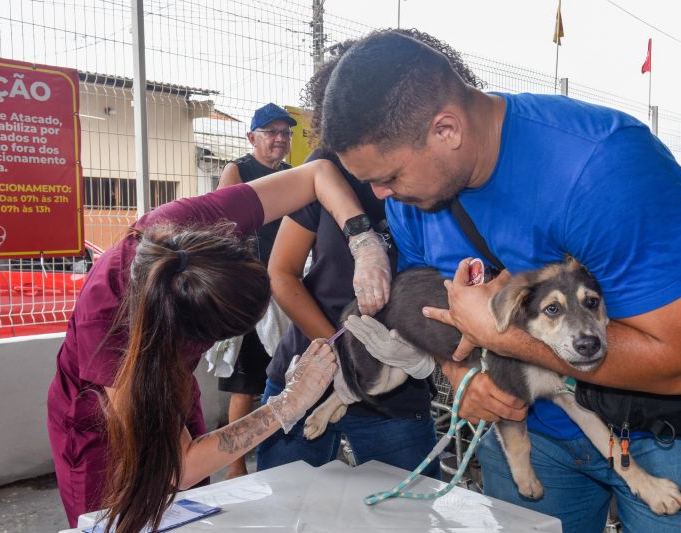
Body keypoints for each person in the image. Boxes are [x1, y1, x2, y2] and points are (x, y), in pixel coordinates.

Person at [319, 30, 681, 532]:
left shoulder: (603, 167)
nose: (381, 195)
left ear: (446, 130)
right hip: (529, 430)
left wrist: (498, 335)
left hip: (664, 434)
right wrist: (459, 375)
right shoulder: (413, 202)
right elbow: (435, 308)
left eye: (390, 176)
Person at [46, 159, 391, 532]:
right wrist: (287, 404)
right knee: (120, 521)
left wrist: (363, 240)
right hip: (100, 424)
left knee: (192, 515)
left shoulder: (195, 226)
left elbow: (317, 173)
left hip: (172, 384)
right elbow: (180, 467)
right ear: (193, 335)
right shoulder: (111, 331)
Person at [256, 31, 480, 475]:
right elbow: (281, 273)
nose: (382, 189)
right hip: (310, 371)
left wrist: (431, 358)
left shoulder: (447, 179)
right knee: (286, 503)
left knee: (407, 508)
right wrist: (338, 358)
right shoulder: (327, 168)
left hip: (395, 386)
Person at [216, 102, 297, 480]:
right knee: (244, 386)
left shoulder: (294, 175)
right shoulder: (238, 170)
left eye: (285, 133)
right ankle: (235, 466)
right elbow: (221, 227)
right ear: (252, 137)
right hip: (248, 293)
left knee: (283, 378)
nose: (279, 139)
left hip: (285, 290)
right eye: (271, 132)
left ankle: (278, 457)